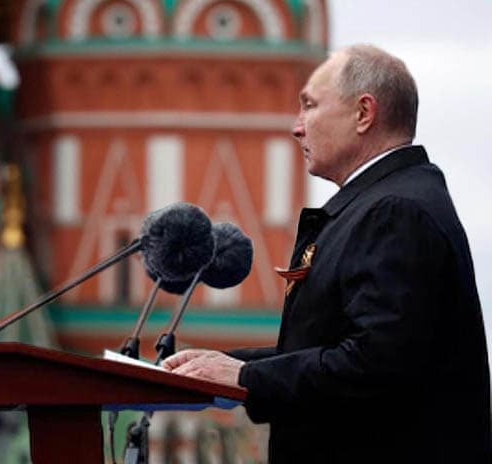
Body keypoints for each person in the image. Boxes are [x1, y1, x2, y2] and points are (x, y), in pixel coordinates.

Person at [162, 44, 491, 463]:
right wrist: (222, 365)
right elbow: (332, 347)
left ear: (363, 113)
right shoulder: (381, 203)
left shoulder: (395, 212)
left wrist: (247, 377)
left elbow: (376, 364)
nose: (296, 127)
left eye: (310, 106)